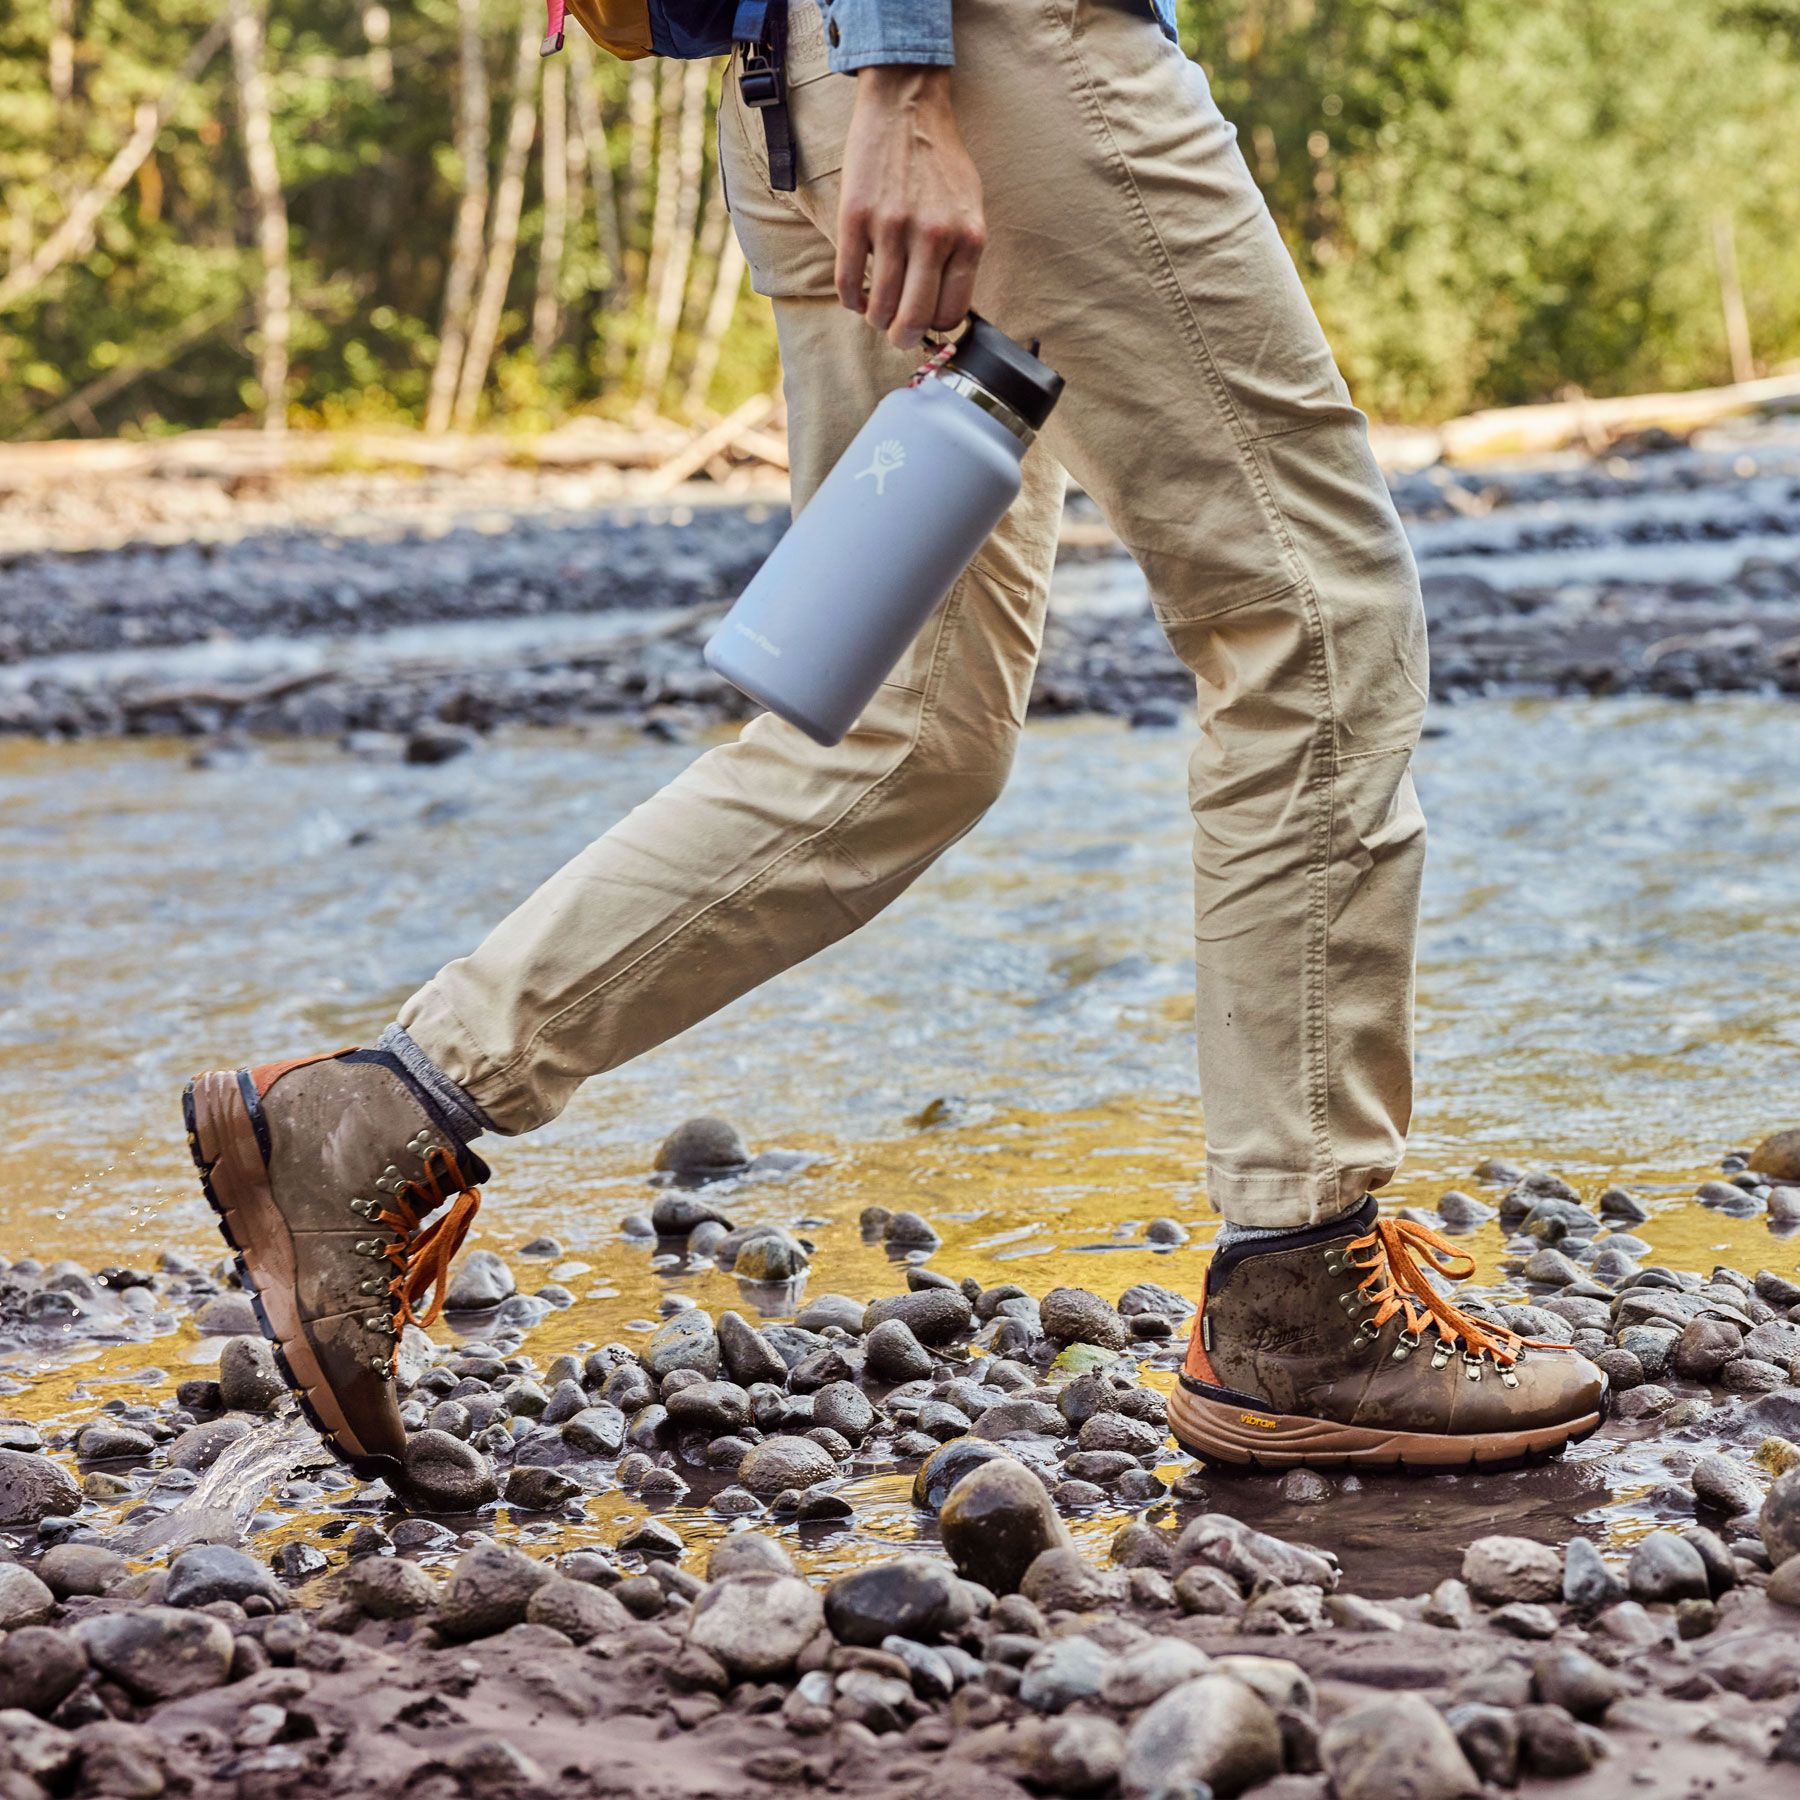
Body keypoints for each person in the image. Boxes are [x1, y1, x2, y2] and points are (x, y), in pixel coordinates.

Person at [182, 0, 1605, 1490]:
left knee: (905, 731)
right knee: (1310, 621)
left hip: (795, 91)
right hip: (984, 55)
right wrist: (908, 80)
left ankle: (383, 1110)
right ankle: (1303, 1286)